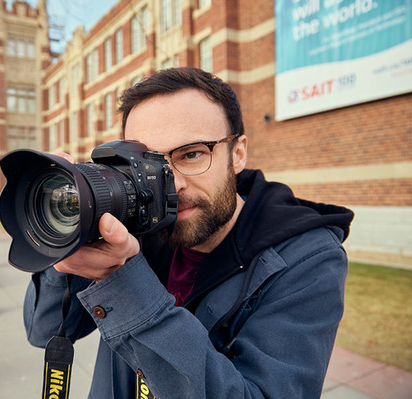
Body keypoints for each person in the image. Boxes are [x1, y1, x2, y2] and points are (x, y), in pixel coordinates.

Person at [23, 67, 354, 398]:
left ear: (238, 153)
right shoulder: (135, 228)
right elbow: (43, 330)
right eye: (148, 165)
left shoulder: (306, 260)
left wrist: (124, 282)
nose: (173, 185)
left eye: (192, 154)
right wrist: (68, 237)